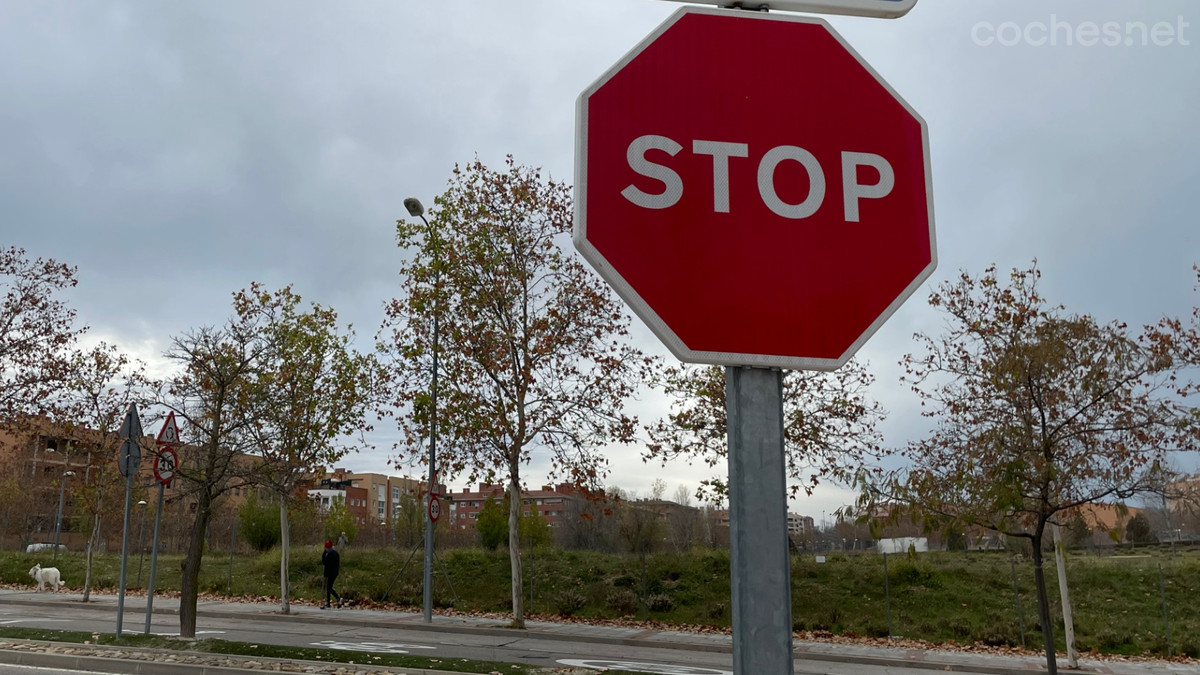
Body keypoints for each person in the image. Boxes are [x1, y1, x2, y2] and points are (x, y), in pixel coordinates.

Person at [320, 539, 342, 609]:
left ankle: (337, 598)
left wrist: (324, 554)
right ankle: (329, 602)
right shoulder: (335, 553)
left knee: (329, 587)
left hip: (331, 573)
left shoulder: (330, 554)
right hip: (334, 572)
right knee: (329, 587)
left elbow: (324, 562)